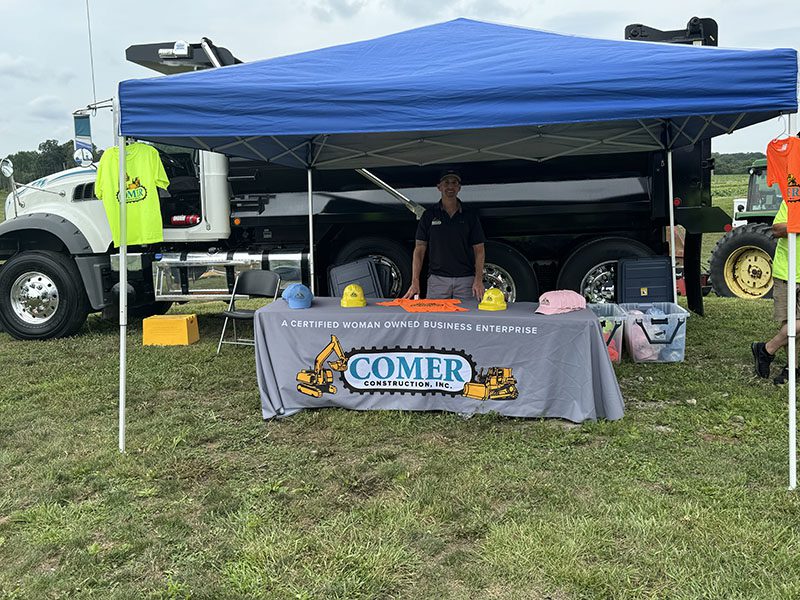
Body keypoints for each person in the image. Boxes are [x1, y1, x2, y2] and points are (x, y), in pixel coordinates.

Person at [403, 169, 486, 300]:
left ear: (459, 188)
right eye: (446, 182)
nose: (450, 186)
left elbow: (479, 250)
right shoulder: (429, 215)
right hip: (437, 281)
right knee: (435, 320)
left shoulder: (470, 216)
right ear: (439, 187)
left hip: (465, 281)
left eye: (454, 183)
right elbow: (419, 250)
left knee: (466, 320)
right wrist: (415, 281)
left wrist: (478, 280)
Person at [752, 200, 800, 384]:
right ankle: (791, 369)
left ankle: (766, 349)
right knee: (791, 323)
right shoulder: (792, 200)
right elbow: (777, 229)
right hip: (788, 272)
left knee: (795, 325)